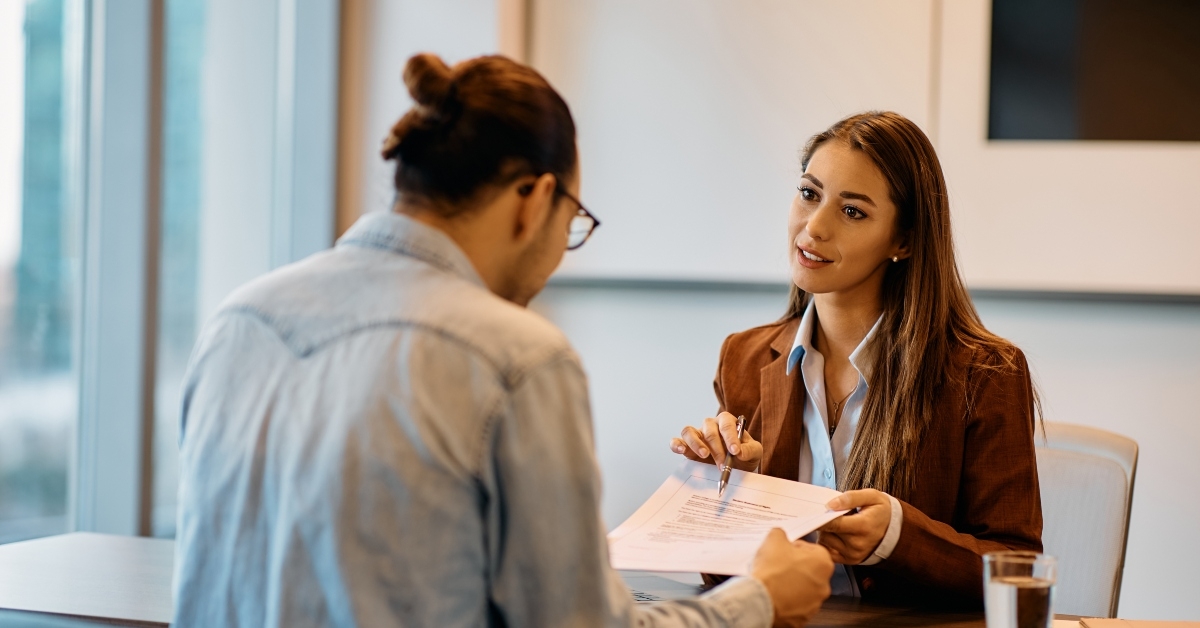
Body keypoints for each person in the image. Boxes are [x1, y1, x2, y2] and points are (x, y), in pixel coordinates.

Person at [171, 53, 835, 627]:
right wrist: (760, 602)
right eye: (572, 219)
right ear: (534, 198)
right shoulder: (516, 357)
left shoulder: (239, 322)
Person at [670, 111, 1042, 607]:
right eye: (809, 194)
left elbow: (1016, 570)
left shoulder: (985, 373)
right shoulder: (744, 356)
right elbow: (722, 582)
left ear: (904, 241)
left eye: (852, 212)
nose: (814, 227)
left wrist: (898, 539)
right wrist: (732, 493)